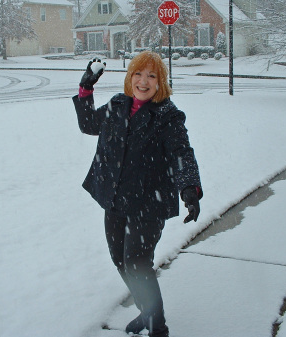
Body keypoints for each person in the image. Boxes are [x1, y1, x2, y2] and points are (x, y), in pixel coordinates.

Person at [72, 51, 203, 337]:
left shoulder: (167, 116)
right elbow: (88, 124)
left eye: (151, 76)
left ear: (161, 83)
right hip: (116, 197)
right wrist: (86, 88)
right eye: (138, 74)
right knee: (120, 258)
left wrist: (189, 189)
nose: (143, 81)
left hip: (149, 202)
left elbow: (182, 153)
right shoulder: (118, 105)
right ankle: (147, 311)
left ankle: (158, 328)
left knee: (137, 263)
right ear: (130, 77)